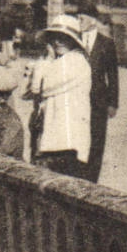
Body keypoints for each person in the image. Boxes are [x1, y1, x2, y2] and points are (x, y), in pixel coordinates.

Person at [23, 16, 93, 178]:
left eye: (64, 38)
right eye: (54, 37)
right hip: (52, 136)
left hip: (66, 141)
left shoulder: (75, 61)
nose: (58, 42)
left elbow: (40, 87)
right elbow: (25, 92)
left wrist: (45, 60)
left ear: (74, 41)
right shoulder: (59, 62)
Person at [72, 4, 120, 183]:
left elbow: (113, 75)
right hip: (77, 101)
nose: (79, 22)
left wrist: (113, 103)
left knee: (97, 142)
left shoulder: (106, 43)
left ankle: (92, 181)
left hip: (98, 102)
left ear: (92, 21)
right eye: (77, 19)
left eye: (82, 18)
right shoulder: (74, 41)